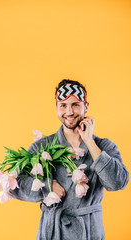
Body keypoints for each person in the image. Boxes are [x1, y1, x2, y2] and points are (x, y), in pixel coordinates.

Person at [9, 79, 129, 240]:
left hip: (90, 232)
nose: (69, 111)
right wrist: (47, 186)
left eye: (75, 104)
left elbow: (118, 182)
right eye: (63, 105)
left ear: (86, 106)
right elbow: (12, 183)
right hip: (52, 232)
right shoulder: (42, 147)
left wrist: (89, 141)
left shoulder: (102, 146)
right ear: (56, 108)